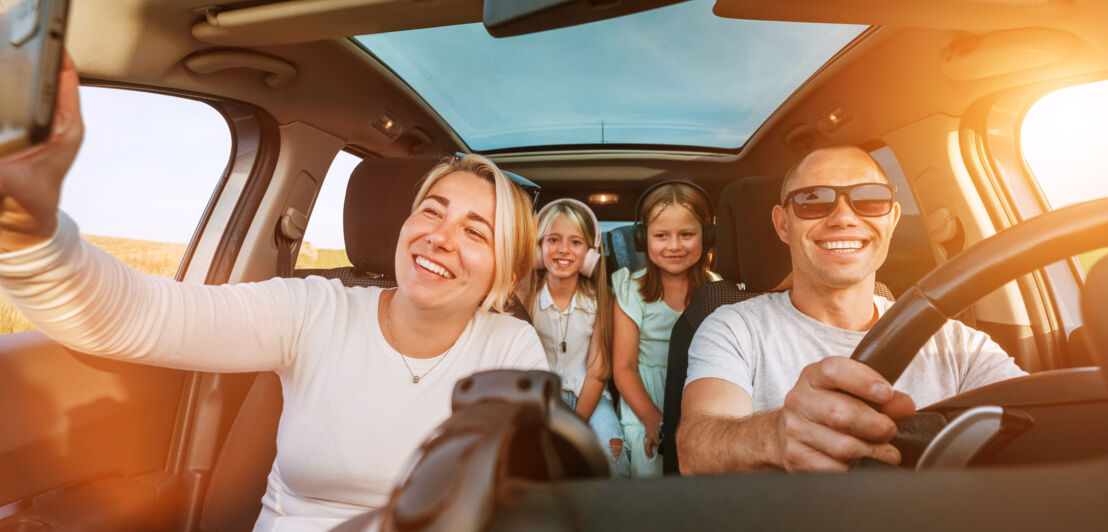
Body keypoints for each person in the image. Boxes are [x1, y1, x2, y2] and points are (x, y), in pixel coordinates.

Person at [0, 57, 547, 530]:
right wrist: (28, 232)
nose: (440, 237)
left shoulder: (511, 350)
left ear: (505, 273)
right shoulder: (314, 308)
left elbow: (513, 506)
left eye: (476, 232)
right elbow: (142, 316)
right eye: (432, 210)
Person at [678, 145, 1026, 474]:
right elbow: (695, 449)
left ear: (892, 218)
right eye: (812, 201)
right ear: (783, 224)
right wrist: (776, 436)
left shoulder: (957, 344)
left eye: (870, 199)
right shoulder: (734, 327)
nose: (843, 217)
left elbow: (1039, 423)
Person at [612, 181, 718, 478]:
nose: (674, 245)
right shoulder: (630, 289)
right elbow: (624, 367)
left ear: (707, 236)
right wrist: (651, 418)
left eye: (687, 234)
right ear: (641, 238)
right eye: (661, 235)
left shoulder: (720, 291)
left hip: (701, 399)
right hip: (645, 400)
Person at [529, 198, 630, 477]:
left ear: (591, 253)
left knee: (614, 454)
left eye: (575, 242)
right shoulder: (527, 299)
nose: (563, 250)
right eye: (553, 239)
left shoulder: (600, 301)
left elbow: (597, 370)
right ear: (539, 248)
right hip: (540, 400)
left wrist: (576, 424)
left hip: (592, 399)